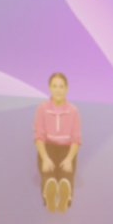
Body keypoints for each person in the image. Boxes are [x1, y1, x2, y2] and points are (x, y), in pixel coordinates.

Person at [34, 72, 81, 212]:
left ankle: (65, 198)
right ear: (49, 87)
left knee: (65, 178)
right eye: (54, 86)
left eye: (61, 86)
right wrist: (45, 158)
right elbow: (38, 136)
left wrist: (69, 159)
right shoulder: (41, 108)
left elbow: (76, 139)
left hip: (67, 150)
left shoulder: (73, 111)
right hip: (47, 149)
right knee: (49, 178)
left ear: (66, 88)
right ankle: (48, 195)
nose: (58, 90)